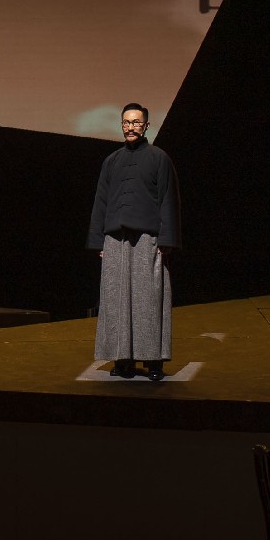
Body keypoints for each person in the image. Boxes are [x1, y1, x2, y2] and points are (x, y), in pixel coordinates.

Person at [86, 103, 182, 381]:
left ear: (146, 126)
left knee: (149, 299)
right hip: (115, 238)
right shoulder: (111, 160)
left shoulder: (159, 158)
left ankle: (153, 362)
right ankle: (123, 360)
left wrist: (167, 240)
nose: (131, 127)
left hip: (147, 239)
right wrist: (99, 242)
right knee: (116, 300)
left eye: (136, 122)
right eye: (126, 122)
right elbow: (101, 202)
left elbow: (169, 200)